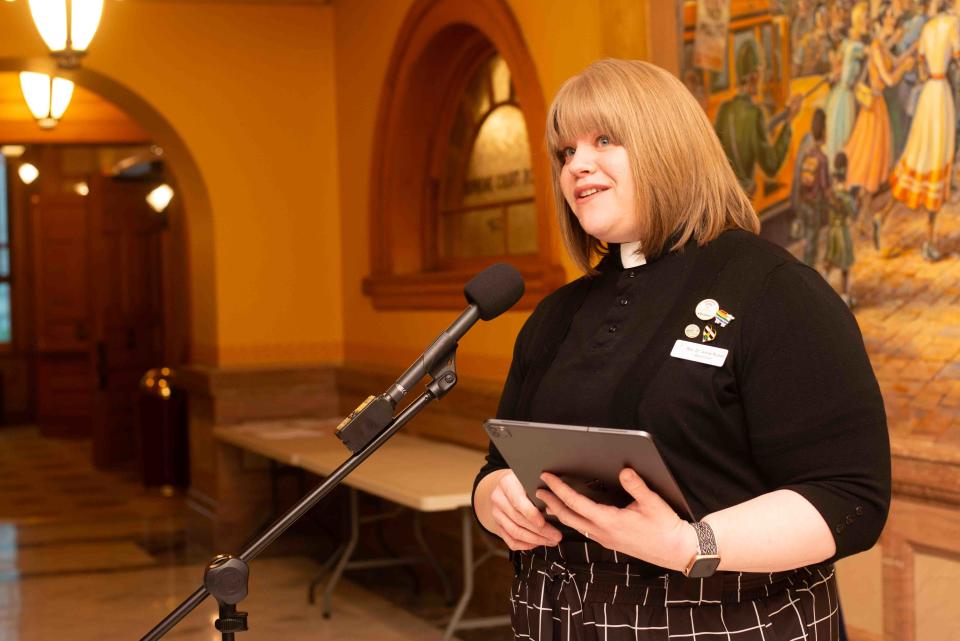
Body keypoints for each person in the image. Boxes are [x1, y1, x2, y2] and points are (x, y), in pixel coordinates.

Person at [472, 59, 890, 641]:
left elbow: (850, 498)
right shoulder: (555, 316)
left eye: (604, 140)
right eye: (565, 153)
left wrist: (690, 544)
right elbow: (496, 468)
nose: (577, 166)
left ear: (668, 144)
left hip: (727, 620)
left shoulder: (773, 290)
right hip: (563, 617)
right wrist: (498, 503)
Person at [875, 0, 960, 261]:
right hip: (941, 96)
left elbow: (921, 66)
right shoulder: (954, 25)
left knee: (918, 157)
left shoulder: (929, 27)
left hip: (927, 97)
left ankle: (883, 215)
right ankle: (929, 241)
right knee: (938, 161)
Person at [714, 40, 801, 196]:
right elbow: (771, 166)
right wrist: (788, 124)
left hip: (725, 195)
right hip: (745, 197)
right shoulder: (755, 115)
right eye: (761, 73)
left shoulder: (724, 109)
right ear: (754, 76)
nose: (762, 79)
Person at [797, 108, 831, 266]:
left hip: (803, 203)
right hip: (814, 206)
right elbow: (825, 187)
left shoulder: (807, 154)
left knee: (806, 241)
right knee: (812, 245)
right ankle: (807, 276)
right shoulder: (822, 159)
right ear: (824, 132)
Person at [825, 152, 858, 307]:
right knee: (845, 265)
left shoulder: (831, 187)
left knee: (830, 260)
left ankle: (821, 283)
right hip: (842, 231)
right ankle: (844, 295)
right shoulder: (844, 190)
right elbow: (852, 211)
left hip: (832, 230)